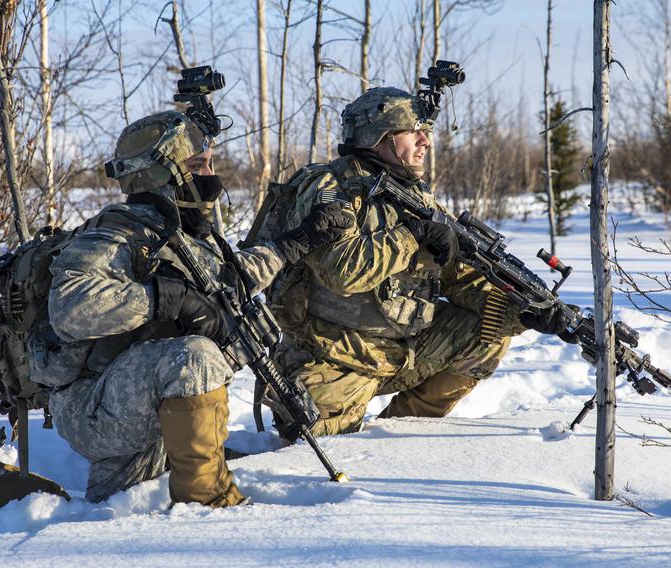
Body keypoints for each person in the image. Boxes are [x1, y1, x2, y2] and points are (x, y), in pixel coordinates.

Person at [46, 110, 354, 506]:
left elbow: (227, 283)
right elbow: (70, 305)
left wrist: (293, 243)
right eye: (196, 165)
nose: (210, 174)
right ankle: (209, 504)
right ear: (162, 174)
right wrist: (162, 299)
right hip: (93, 406)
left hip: (138, 398)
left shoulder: (181, 231)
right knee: (196, 357)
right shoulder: (118, 233)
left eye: (209, 162)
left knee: (120, 494)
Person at [265, 87, 568, 437]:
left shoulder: (415, 197)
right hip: (332, 357)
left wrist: (523, 310)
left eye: (425, 132)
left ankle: (398, 435)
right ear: (378, 137)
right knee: (309, 440)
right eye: (413, 132)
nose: (425, 141)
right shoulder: (331, 187)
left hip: (399, 352)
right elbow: (341, 271)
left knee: (488, 332)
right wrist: (411, 237)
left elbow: (460, 275)